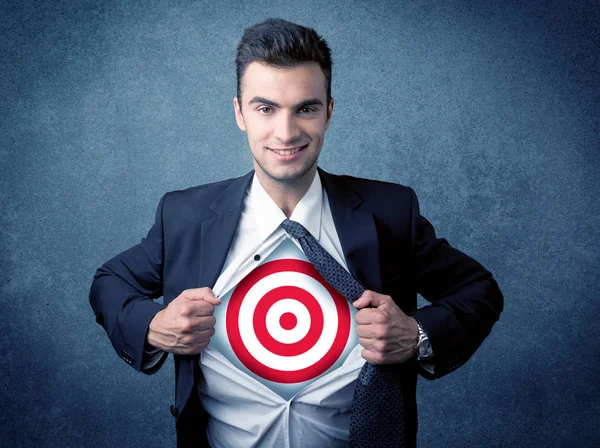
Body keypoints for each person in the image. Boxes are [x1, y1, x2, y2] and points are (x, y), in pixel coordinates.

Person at [89, 18, 504, 448]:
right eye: (265, 108)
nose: (286, 133)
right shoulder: (185, 216)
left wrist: (415, 336)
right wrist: (154, 325)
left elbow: (479, 290)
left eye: (304, 108)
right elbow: (109, 283)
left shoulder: (391, 212)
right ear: (239, 113)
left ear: (329, 111)